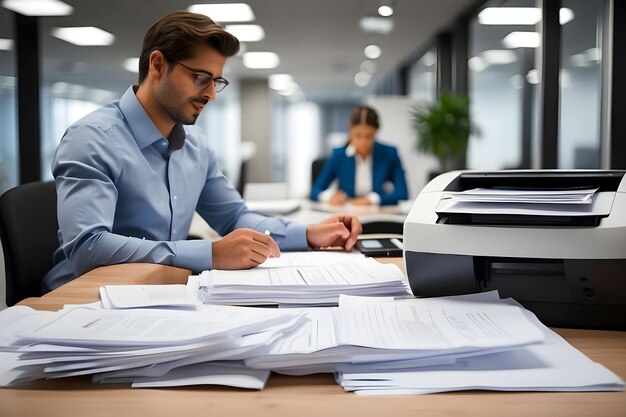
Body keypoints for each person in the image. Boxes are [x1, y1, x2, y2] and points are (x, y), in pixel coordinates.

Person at [43, 11, 362, 292]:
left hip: (160, 294)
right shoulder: (93, 138)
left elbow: (235, 217)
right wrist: (210, 254)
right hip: (83, 301)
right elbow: (89, 248)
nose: (210, 94)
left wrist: (308, 234)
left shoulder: (195, 146)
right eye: (200, 79)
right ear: (158, 64)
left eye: (216, 82)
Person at [310, 105, 409, 206]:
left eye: (369, 136)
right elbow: (315, 191)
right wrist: (329, 197)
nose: (363, 142)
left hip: (379, 213)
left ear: (376, 133)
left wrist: (373, 199)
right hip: (347, 212)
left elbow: (402, 194)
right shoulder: (338, 155)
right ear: (350, 132)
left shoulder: (389, 153)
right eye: (357, 135)